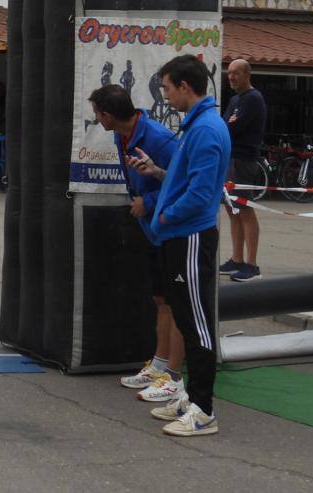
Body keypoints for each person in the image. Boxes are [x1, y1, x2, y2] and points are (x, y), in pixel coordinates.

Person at [128, 55, 229, 437]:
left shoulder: (205, 129)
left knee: (196, 323)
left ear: (186, 87)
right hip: (180, 235)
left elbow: (203, 193)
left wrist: (167, 214)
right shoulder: (198, 125)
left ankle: (204, 410)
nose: (165, 96)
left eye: (168, 88)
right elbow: (188, 178)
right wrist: (157, 173)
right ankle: (190, 397)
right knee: (187, 319)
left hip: (189, 236)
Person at [88, 85, 183, 404]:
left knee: (175, 302)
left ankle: (173, 375)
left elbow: (183, 182)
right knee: (160, 299)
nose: (96, 119)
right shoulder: (121, 134)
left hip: (173, 228)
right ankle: (158, 365)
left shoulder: (158, 138)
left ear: (107, 115)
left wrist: (150, 202)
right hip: (152, 228)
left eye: (97, 114)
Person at [221, 59, 266, 283]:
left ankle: (251, 264)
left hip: (243, 160)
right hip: (230, 159)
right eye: (229, 73)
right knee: (232, 210)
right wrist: (228, 123)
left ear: (247, 74)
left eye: (236, 73)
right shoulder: (236, 99)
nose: (231, 77)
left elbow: (232, 128)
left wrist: (229, 123)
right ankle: (236, 259)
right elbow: (224, 125)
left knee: (245, 209)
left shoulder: (253, 99)